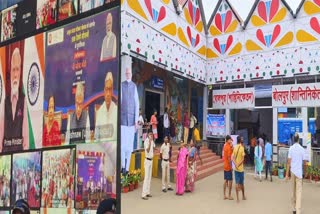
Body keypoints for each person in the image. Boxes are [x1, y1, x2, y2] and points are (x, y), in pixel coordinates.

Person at [1, 47, 29, 152]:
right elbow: (1, 133)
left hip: (19, 155)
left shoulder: (23, 100)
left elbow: (25, 137)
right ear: (10, 72)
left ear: (20, 71)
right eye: (13, 69)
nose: (15, 74)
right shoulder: (5, 102)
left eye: (17, 69)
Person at [121, 66, 139, 174]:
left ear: (131, 74)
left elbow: (137, 104)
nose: (128, 74)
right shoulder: (121, 85)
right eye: (126, 73)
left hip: (131, 121)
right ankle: (123, 166)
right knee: (122, 146)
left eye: (129, 73)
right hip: (123, 121)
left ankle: (127, 168)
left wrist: (136, 120)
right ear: (125, 74)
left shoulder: (134, 87)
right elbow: (120, 102)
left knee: (129, 146)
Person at [286, 133, 308, 214]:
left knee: (293, 191)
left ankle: (294, 208)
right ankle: (298, 211)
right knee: (299, 192)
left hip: (292, 172)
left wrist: (286, 174)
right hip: (299, 173)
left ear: (293, 139)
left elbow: (288, 162)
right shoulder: (302, 149)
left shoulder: (291, 148)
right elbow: (305, 163)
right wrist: (305, 172)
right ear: (299, 139)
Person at [95, 72, 118, 142]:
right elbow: (96, 138)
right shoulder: (99, 112)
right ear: (104, 91)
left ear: (112, 91)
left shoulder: (117, 111)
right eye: (106, 89)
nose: (108, 94)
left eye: (110, 89)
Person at [232, 135, 246, 203]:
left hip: (236, 169)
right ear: (240, 140)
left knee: (237, 184)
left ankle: (237, 198)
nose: (243, 139)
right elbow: (243, 159)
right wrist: (238, 164)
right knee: (242, 184)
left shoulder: (234, 147)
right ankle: (243, 196)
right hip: (241, 169)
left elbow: (233, 158)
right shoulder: (242, 148)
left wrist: (235, 164)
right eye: (242, 138)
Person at [142, 132, 155, 200]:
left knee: (149, 177)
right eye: (150, 134)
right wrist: (150, 142)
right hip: (147, 161)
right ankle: (143, 194)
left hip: (151, 160)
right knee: (146, 177)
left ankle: (147, 192)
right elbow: (148, 149)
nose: (151, 136)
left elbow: (153, 148)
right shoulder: (146, 141)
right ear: (148, 135)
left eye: (152, 135)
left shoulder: (152, 141)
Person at [223, 135, 233, 200]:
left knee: (225, 180)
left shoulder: (225, 146)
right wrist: (231, 166)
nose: (231, 141)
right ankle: (229, 195)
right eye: (230, 140)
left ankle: (224, 195)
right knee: (230, 181)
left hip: (225, 165)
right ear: (228, 140)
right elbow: (229, 158)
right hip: (228, 166)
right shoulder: (228, 147)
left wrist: (232, 146)